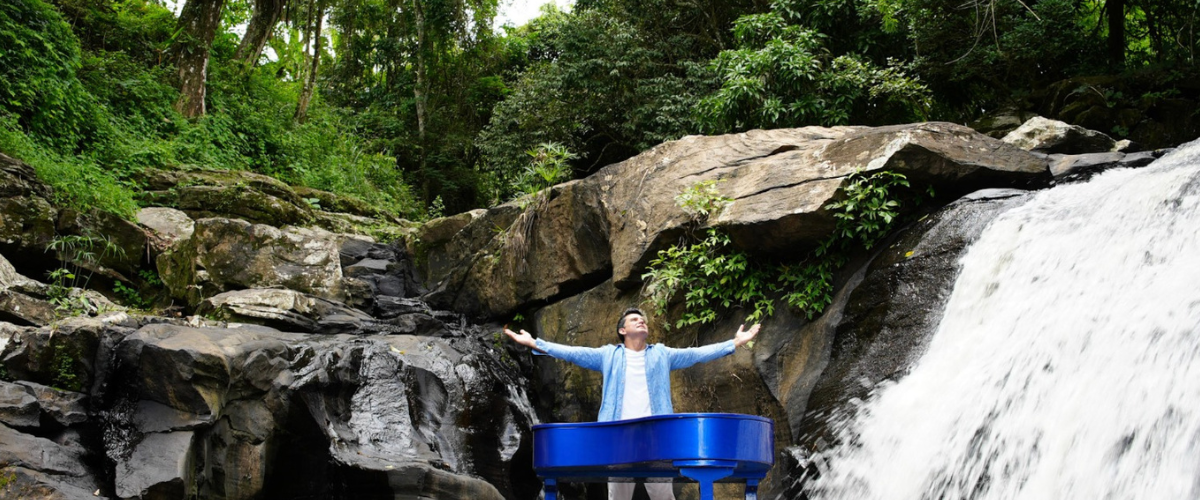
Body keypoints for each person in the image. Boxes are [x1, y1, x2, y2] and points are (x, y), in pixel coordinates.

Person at [504, 307, 761, 500]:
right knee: (619, 493)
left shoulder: (662, 354)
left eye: (643, 319)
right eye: (634, 319)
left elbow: (696, 354)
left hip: (656, 435)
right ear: (622, 331)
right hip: (618, 435)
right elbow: (573, 353)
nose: (641, 321)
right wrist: (535, 343)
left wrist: (734, 343)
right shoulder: (608, 355)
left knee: (662, 493)